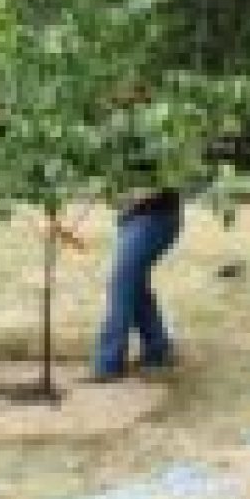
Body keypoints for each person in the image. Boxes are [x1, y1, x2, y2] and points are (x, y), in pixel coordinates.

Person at [93, 87, 183, 380]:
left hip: (158, 219)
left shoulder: (159, 132)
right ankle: (158, 349)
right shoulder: (118, 138)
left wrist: (134, 194)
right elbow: (115, 186)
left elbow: (172, 178)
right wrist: (114, 194)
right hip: (133, 219)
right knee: (134, 283)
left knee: (121, 283)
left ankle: (108, 365)